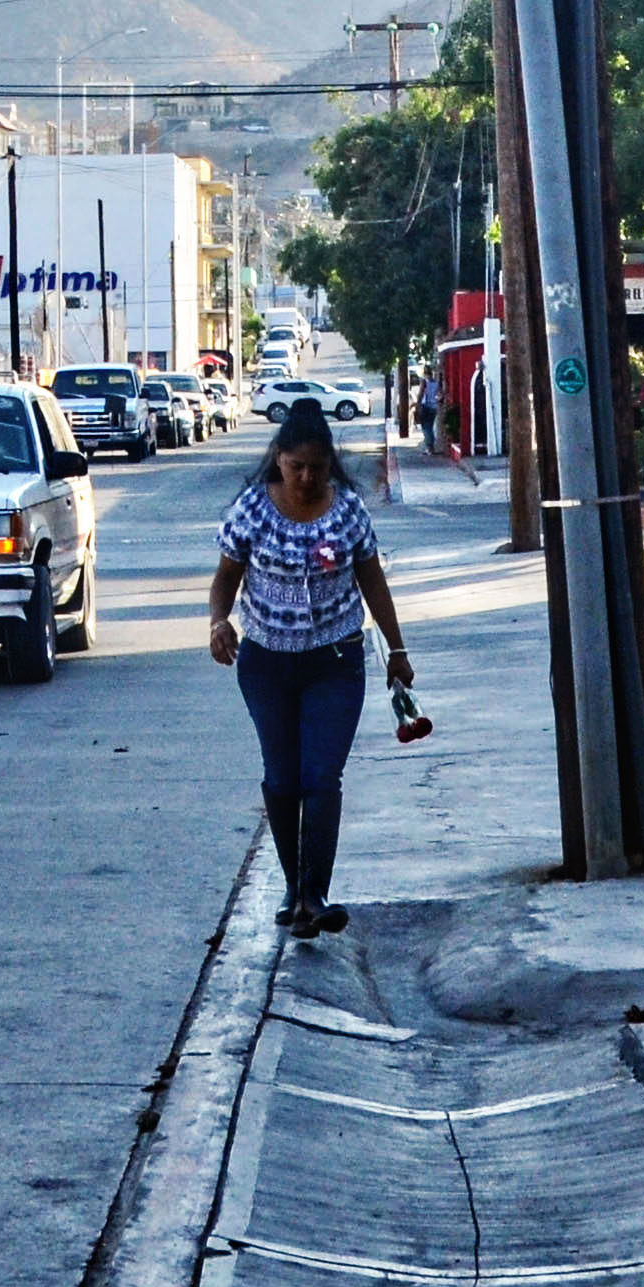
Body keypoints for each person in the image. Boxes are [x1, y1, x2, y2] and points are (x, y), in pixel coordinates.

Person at [208, 400, 412, 936]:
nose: (305, 477)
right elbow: (226, 578)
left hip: (335, 661)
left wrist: (397, 651)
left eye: (316, 468)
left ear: (329, 465)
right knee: (282, 778)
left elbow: (372, 581)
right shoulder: (252, 510)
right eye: (296, 466)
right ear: (278, 458)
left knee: (322, 776)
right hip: (266, 663)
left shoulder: (348, 512)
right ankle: (294, 889)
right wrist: (218, 623)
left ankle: (314, 894)